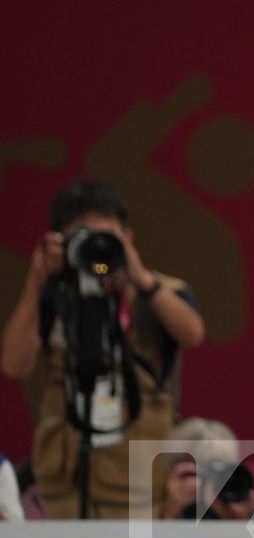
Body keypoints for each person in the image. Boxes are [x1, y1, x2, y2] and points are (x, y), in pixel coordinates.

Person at [0, 179, 205, 519]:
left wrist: (140, 277)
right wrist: (38, 280)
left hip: (137, 479)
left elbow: (192, 333)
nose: (95, 249)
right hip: (64, 477)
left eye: (106, 238)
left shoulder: (158, 291)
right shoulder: (56, 295)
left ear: (128, 238)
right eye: (82, 238)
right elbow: (14, 365)